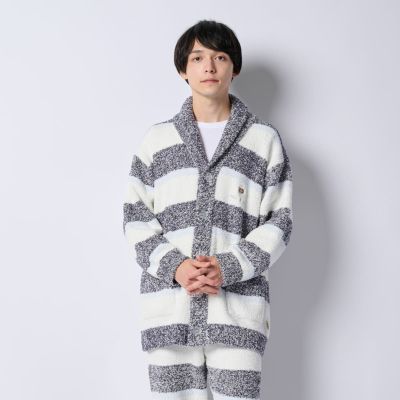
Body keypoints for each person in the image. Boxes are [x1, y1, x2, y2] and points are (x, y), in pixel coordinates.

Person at [123, 19, 294, 400]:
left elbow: (279, 221)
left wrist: (227, 267)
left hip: (237, 313)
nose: (209, 67)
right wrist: (175, 267)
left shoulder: (263, 140)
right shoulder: (157, 140)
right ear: (183, 69)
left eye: (220, 57)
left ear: (234, 67)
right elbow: (135, 217)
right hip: (169, 312)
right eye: (198, 58)